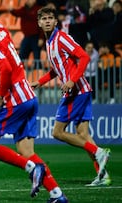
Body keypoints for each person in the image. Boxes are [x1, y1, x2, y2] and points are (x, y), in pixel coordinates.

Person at [0, 2, 68, 202]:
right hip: (29, 96)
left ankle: (31, 168)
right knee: (27, 151)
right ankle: (57, 195)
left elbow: (6, 69)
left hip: (14, 100)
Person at [31, 6, 111, 187]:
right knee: (83, 133)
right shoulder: (50, 42)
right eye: (44, 19)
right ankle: (103, 175)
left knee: (57, 132)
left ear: (56, 21)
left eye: (50, 18)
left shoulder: (62, 38)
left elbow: (84, 57)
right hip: (82, 90)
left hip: (75, 91)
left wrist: (72, 80)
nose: (47, 21)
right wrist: (40, 81)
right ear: (39, 23)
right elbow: (55, 69)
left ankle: (98, 152)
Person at [9, 0, 44, 69]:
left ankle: (38, 73)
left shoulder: (39, 10)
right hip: (27, 37)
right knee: (21, 55)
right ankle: (19, 71)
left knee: (37, 57)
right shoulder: (24, 9)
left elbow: (42, 26)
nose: (28, 1)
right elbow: (17, 13)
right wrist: (11, 10)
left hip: (36, 37)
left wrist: (41, 38)